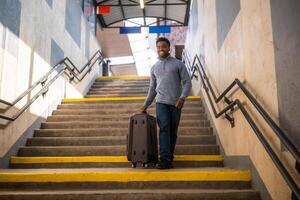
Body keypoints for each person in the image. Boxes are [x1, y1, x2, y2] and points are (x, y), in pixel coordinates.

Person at [140, 37, 192, 169]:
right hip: (161, 103)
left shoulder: (178, 64)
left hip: (176, 103)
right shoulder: (154, 68)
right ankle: (164, 159)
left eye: (163, 46)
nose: (161, 49)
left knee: (172, 131)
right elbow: (152, 89)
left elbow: (187, 82)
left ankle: (169, 156)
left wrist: (182, 98)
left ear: (169, 48)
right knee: (164, 129)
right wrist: (145, 105)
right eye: (158, 47)